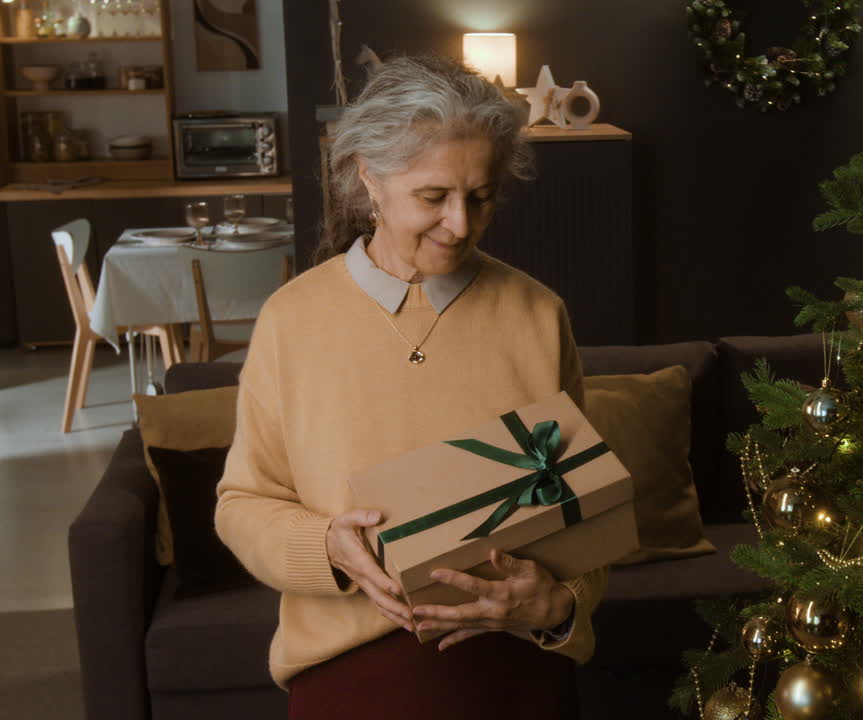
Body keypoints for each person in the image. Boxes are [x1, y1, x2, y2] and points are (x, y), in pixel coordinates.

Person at [214, 55, 605, 719]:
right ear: (369, 176)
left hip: (515, 676)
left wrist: (561, 607)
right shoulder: (293, 319)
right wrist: (324, 546)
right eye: (434, 197)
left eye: (480, 197)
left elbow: (586, 519)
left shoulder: (538, 314)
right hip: (351, 678)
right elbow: (242, 502)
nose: (460, 223)